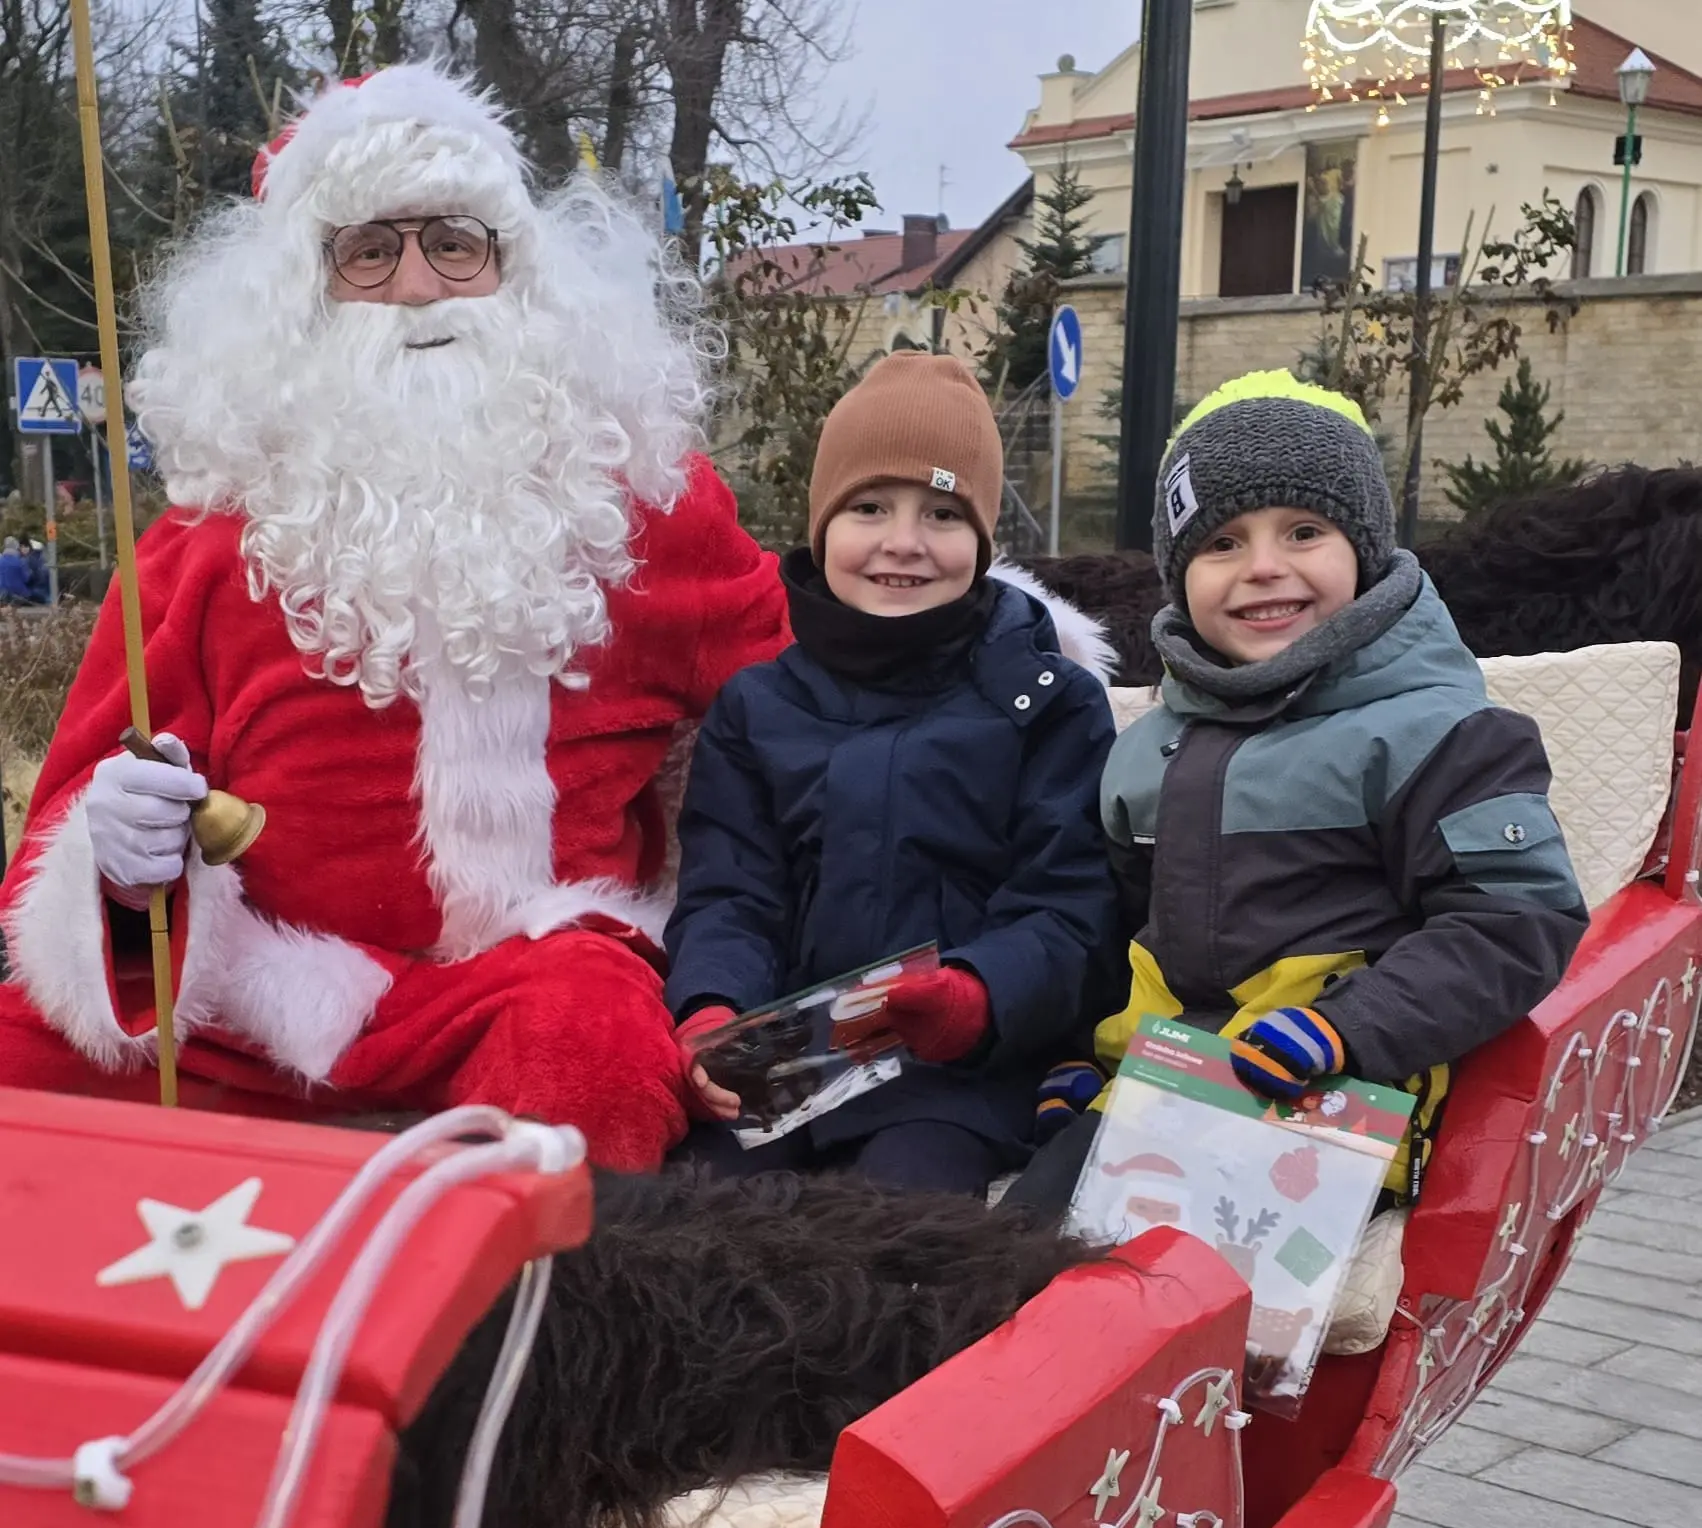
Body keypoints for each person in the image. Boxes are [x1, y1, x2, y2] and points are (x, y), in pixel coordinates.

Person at [0, 65, 787, 1170]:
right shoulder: (203, 546)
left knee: (587, 1045)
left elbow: (808, 702)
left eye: (454, 243)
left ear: (515, 269)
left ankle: (526, 1336)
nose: (419, 285)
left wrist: (997, 646)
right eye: (369, 250)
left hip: (532, 970)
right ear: (305, 294)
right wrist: (125, 871)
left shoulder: (648, 509)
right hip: (259, 992)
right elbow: (76, 812)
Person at [1005, 370, 1590, 1214]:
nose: (1264, 568)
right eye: (1222, 543)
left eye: (1304, 530)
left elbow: (1516, 919)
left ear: (1365, 547)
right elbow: (1120, 933)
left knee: (1120, 1303)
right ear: (1179, 574)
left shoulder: (1437, 735)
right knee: (1018, 1262)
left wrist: (1349, 1028)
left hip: (1325, 1106)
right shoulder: (1145, 752)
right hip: (1153, 1090)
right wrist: (1081, 1052)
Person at [662, 354, 1121, 1196]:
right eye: (869, 507)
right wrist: (712, 1008)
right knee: (691, 1217)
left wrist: (978, 996)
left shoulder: (1052, 705)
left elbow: (1071, 910)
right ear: (822, 526)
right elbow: (731, 894)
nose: (903, 543)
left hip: (962, 1076)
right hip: (786, 1068)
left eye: (943, 514)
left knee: (896, 1236)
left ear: (983, 544)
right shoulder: (757, 708)